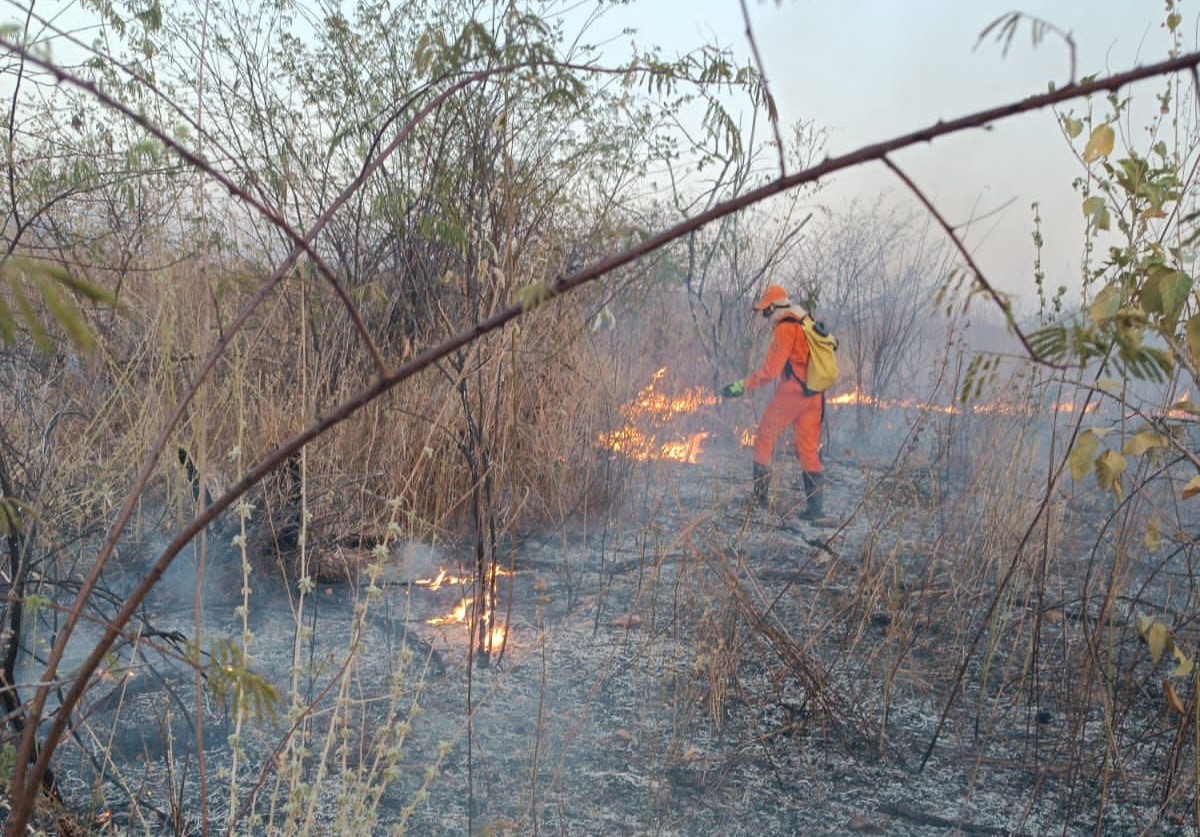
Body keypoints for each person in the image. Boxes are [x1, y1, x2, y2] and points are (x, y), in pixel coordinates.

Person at [721, 284, 825, 519]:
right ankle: (815, 511)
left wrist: (741, 386)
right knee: (808, 449)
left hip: (792, 392)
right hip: (815, 393)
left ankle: (759, 499)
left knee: (765, 437)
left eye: (767, 311)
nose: (766, 317)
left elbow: (770, 372)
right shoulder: (804, 321)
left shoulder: (786, 328)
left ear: (776, 307)